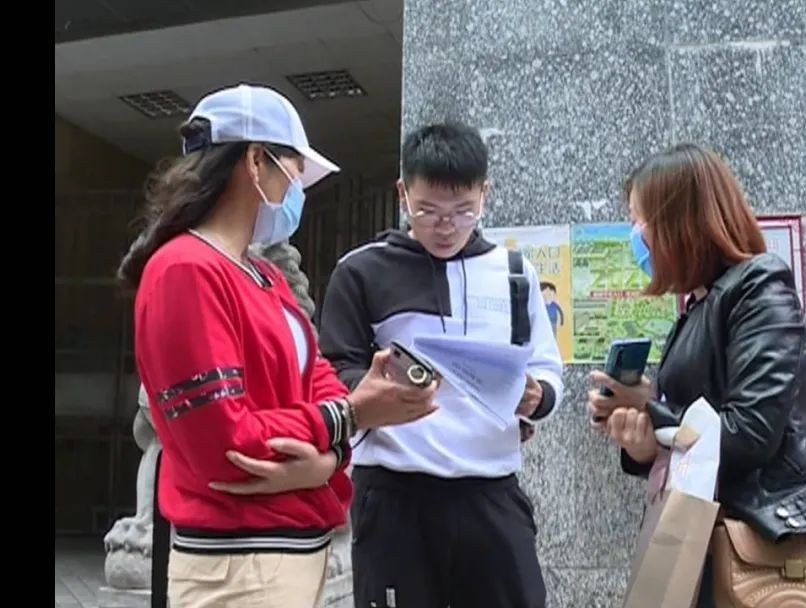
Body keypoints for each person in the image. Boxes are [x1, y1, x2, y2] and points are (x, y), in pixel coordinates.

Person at [117, 84, 439, 608]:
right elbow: (227, 442)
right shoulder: (185, 270)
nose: (298, 189)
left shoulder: (264, 275)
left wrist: (326, 454)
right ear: (255, 162)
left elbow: (318, 381)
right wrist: (349, 420)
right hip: (238, 566)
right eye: (294, 170)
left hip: (288, 558)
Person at [318, 122, 565, 608]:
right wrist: (373, 396)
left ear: (485, 194)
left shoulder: (515, 273)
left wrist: (539, 397)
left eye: (463, 211)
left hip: (491, 492)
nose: (445, 225)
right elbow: (333, 369)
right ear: (402, 194)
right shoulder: (361, 271)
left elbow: (546, 365)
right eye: (427, 210)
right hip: (395, 496)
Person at [587, 143, 806, 606]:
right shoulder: (699, 304)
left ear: (678, 221)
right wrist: (644, 438)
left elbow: (750, 431)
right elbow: (692, 429)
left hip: (758, 540)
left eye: (639, 221)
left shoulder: (759, 286)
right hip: (698, 534)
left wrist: (653, 409)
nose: (634, 236)